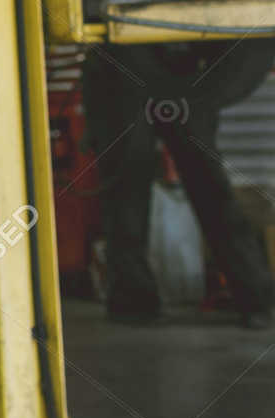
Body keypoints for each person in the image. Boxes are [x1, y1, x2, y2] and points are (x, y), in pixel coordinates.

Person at [80, 36, 274, 328]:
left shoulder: (247, 36)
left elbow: (242, 64)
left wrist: (193, 97)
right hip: (121, 68)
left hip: (183, 74)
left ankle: (256, 297)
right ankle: (132, 299)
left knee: (208, 182)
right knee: (128, 186)